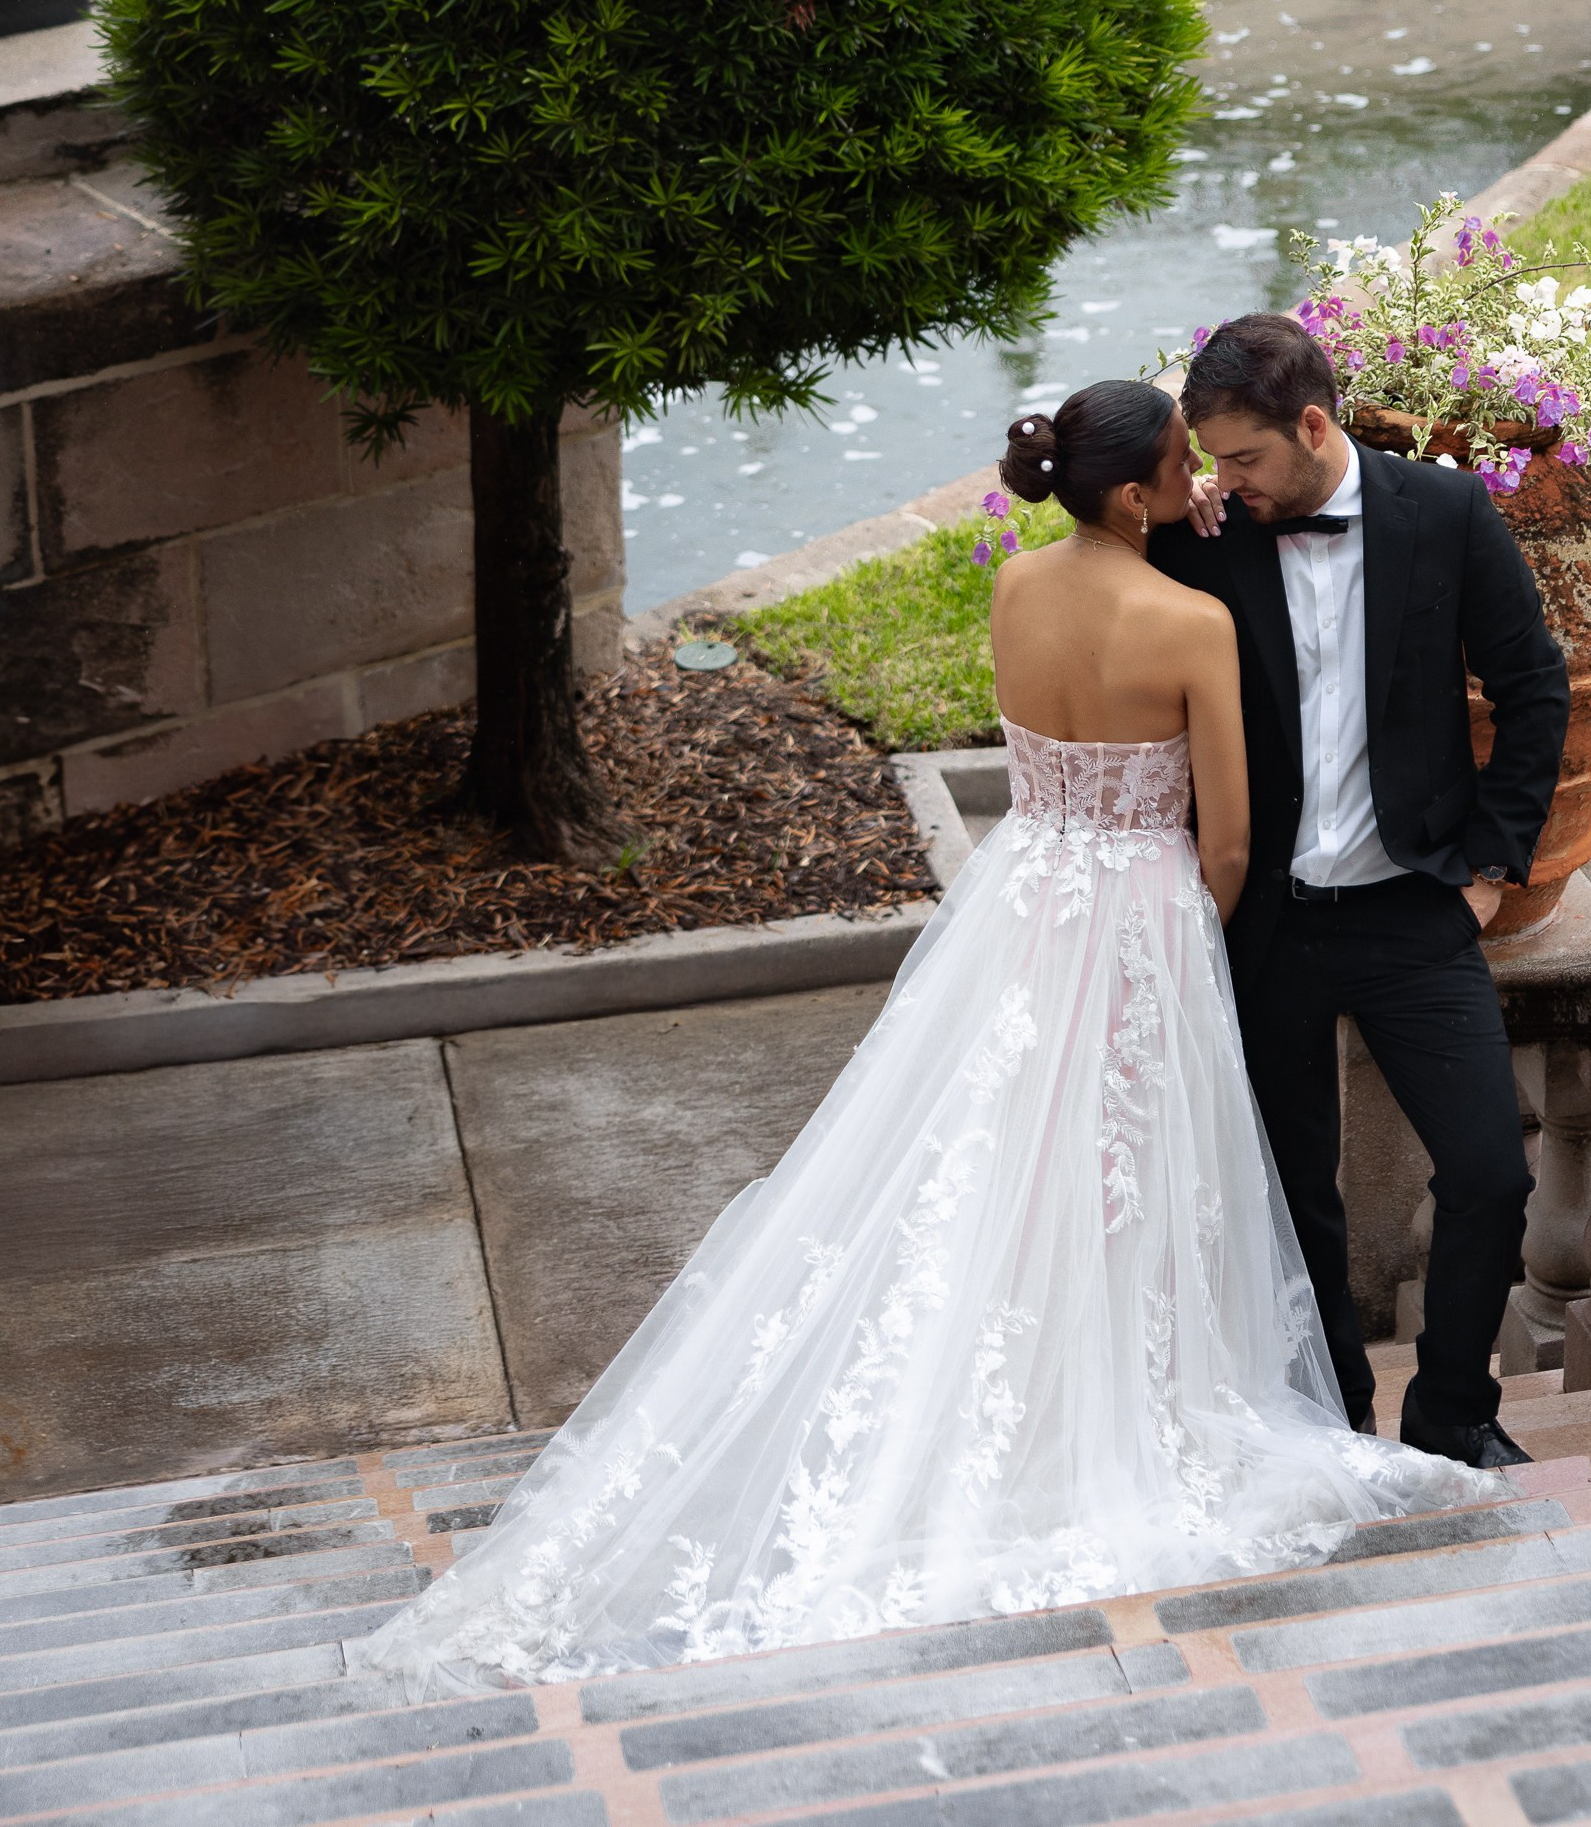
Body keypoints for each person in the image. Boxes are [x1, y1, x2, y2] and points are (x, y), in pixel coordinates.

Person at [356, 378, 1490, 1699]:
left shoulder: (1015, 586)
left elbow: (1036, 762)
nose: (1205, 484)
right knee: (1119, 1172)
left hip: (1024, 891)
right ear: (1134, 493)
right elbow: (1227, 836)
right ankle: (1099, 1413)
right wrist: (1184, 929)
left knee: (994, 1149)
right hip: (1135, 909)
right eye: (1187, 464)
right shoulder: (1187, 621)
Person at [1152, 312, 1571, 1469]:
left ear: (1313, 424)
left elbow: (1534, 685)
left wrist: (1494, 863)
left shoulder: (1443, 514)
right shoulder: (1200, 537)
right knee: (1292, 1199)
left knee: (1491, 1170)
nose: (1222, 482)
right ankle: (1333, 1428)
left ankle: (1452, 1413)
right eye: (1208, 461)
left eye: (1241, 458)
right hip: (1266, 920)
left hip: (1410, 906)